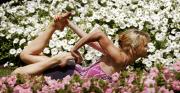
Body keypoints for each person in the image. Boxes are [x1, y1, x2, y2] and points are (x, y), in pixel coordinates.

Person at [12, 12, 151, 80]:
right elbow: (98, 34)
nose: (148, 49)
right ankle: (58, 58)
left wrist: (69, 24)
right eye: (145, 45)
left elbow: (91, 41)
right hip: (70, 73)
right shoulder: (119, 57)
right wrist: (74, 49)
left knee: (25, 56)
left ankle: (53, 27)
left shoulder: (118, 56)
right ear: (134, 47)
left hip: (74, 70)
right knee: (16, 74)